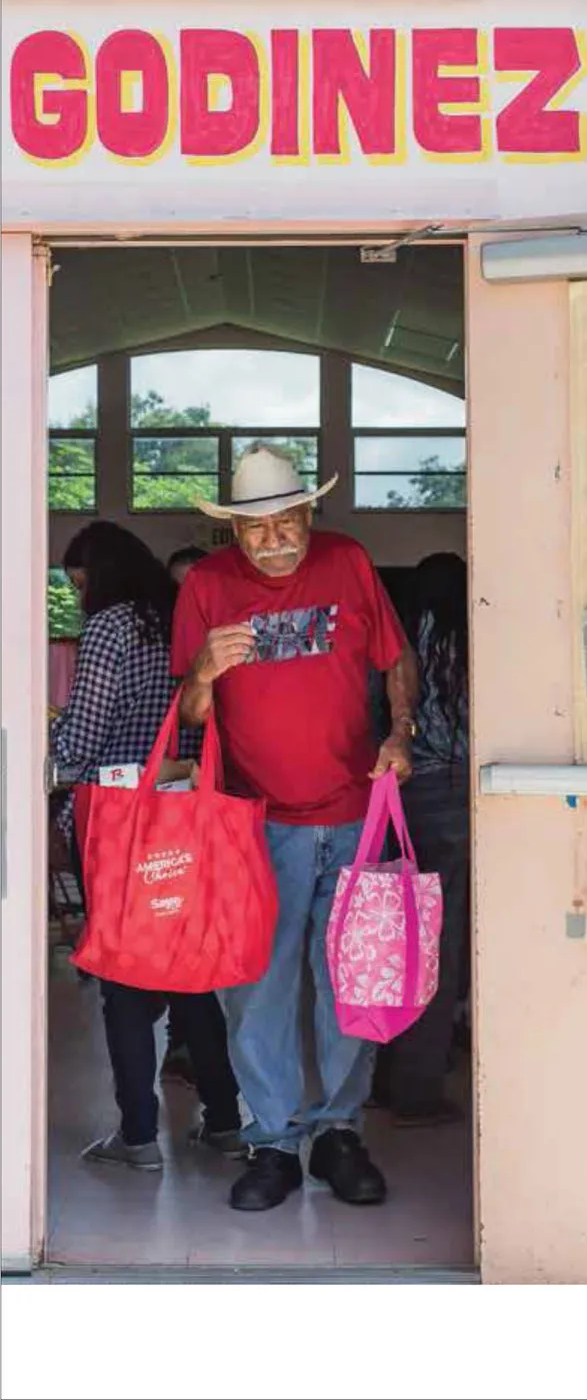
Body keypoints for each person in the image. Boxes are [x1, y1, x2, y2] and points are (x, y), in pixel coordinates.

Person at [173, 443, 419, 1213]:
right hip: (254, 826)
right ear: (232, 531)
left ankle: (339, 1133)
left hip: (354, 812)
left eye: (288, 521)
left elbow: (396, 657)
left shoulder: (347, 562)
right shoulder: (208, 587)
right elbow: (189, 716)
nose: (275, 538)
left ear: (311, 513)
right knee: (256, 993)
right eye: (256, 527)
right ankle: (273, 1142)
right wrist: (204, 671)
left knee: (351, 984)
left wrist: (400, 731)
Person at [49, 521, 244, 1173]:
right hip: (182, 809)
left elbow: (83, 737)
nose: (80, 597)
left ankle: (137, 1134)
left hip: (123, 820)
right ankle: (224, 1120)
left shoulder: (111, 626)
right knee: (188, 971)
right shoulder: (177, 616)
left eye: (81, 584)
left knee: (124, 978)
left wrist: (47, 753)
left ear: (100, 577)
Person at [371, 552, 470, 1127]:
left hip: (394, 797)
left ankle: (381, 1075)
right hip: (448, 799)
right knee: (440, 947)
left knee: (391, 941)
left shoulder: (401, 639)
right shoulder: (460, 637)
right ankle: (418, 1087)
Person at [157, 545, 212, 1090]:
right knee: (177, 923)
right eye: (177, 587)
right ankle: (183, 1041)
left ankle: (200, 1049)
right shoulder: (165, 646)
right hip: (171, 801)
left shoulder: (228, 644)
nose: (185, 597)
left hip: (216, 800)